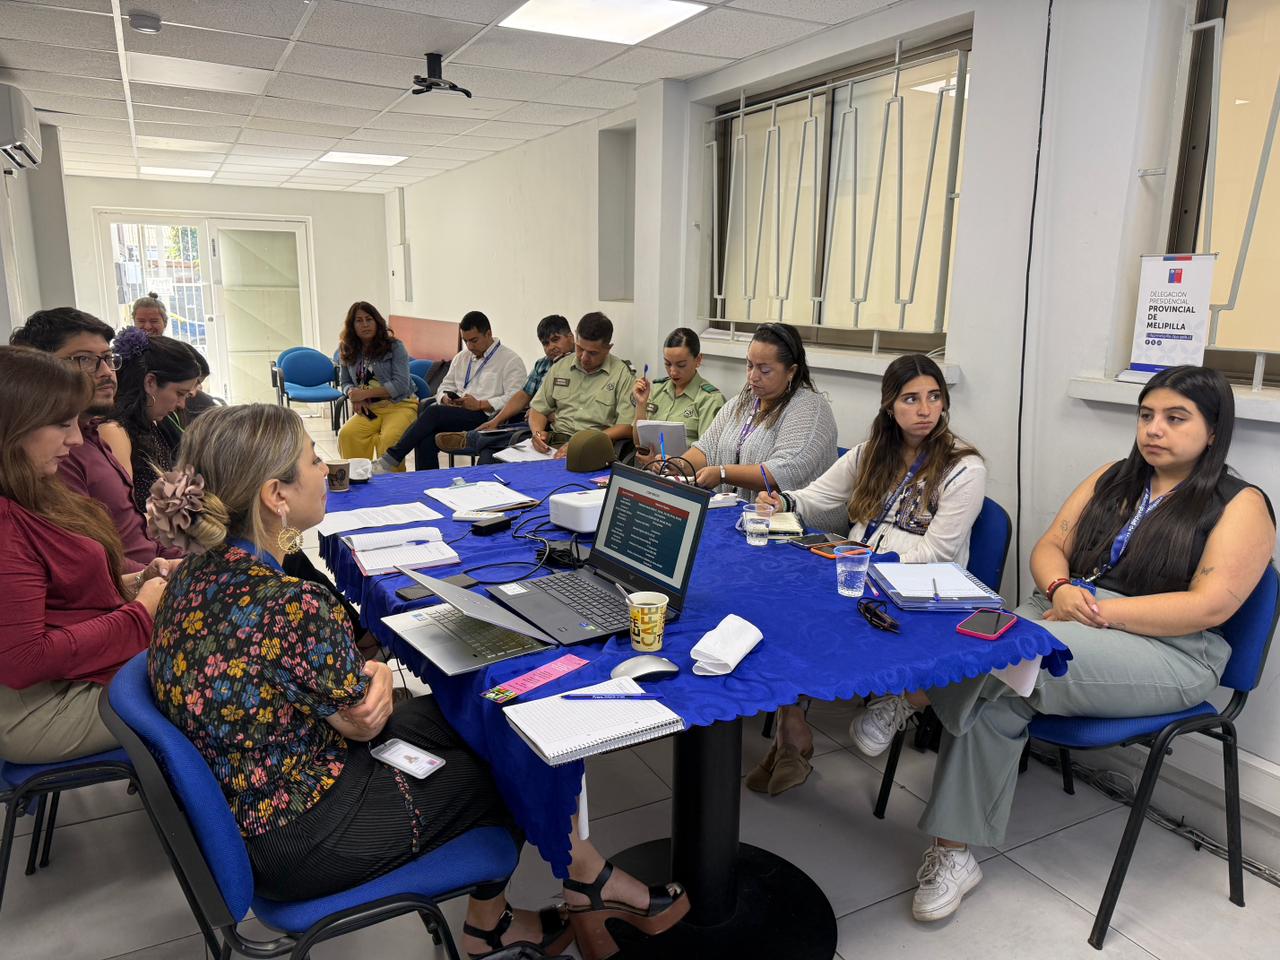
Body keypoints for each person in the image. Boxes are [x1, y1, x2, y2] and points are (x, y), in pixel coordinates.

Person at [148, 403, 690, 959]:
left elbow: (309, 691)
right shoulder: (291, 605)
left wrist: (365, 684)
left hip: (257, 800)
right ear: (274, 495)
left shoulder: (191, 576)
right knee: (518, 755)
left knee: (485, 716)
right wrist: (380, 672)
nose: (325, 469)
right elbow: (363, 720)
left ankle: (535, 902)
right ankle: (539, 906)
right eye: (313, 461)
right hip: (305, 833)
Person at [894, 365, 1275, 923]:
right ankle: (953, 852)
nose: (1154, 429)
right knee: (988, 670)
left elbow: (1210, 606)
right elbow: (1051, 546)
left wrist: (1097, 612)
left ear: (1214, 430)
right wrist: (1060, 587)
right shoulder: (1114, 477)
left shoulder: (1241, 504)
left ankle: (912, 698)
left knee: (1009, 657)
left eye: (1176, 418)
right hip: (1066, 610)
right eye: (1147, 415)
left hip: (1171, 649)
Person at [748, 354, 986, 794]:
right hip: (858, 574)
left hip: (914, 589)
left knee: (804, 614)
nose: (925, 409)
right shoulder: (873, 452)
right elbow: (819, 495)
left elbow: (936, 553)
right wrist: (783, 502)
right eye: (911, 399)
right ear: (889, 406)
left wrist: (867, 564)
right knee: (778, 608)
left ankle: (894, 703)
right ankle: (792, 729)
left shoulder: (965, 468)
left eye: (934, 397)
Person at [0, 347, 170, 763]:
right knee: (226, 680)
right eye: (62, 424)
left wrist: (138, 582)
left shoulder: (34, 491)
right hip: (44, 708)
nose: (75, 439)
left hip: (71, 680)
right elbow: (23, 660)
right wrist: (142, 612)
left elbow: (64, 599)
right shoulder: (7, 524)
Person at [9, 307, 179, 565]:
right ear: (41, 369)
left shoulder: (93, 432)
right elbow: (87, 561)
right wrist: (158, 575)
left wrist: (184, 561)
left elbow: (135, 534)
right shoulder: (51, 453)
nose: (106, 372)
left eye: (108, 358)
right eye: (84, 359)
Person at [678, 322, 837, 495]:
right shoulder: (740, 403)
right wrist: (677, 465)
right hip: (737, 508)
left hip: (791, 512)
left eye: (765, 370)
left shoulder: (810, 409)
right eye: (749, 365)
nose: (753, 376)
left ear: (791, 371)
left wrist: (723, 473)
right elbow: (706, 449)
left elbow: (783, 473)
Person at [372, 310, 526, 472]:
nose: (470, 346)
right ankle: (428, 482)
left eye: (474, 340)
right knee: (425, 437)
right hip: (458, 413)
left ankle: (391, 459)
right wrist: (446, 398)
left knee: (433, 413)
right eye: (466, 341)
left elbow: (516, 398)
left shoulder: (510, 361)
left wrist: (481, 404)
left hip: (489, 418)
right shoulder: (462, 357)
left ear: (488, 334)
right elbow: (444, 386)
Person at [433, 314, 575, 465]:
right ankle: (478, 451)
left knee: (434, 415)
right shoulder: (543, 364)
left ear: (571, 337)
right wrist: (496, 420)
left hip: (554, 427)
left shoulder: (578, 366)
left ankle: (472, 438)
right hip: (532, 423)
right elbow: (523, 394)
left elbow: (576, 410)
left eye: (555, 340)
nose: (551, 347)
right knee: (489, 451)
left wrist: (544, 414)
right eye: (545, 344)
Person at [98, 328, 202, 516]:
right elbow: (124, 517)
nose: (181, 404)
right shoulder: (114, 432)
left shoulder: (152, 425)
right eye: (179, 393)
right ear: (150, 382)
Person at [527, 312, 636, 459]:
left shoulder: (621, 374)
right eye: (580, 349)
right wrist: (537, 434)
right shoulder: (561, 366)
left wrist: (584, 443)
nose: (584, 357)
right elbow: (538, 408)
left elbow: (627, 426)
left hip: (594, 446)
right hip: (555, 443)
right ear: (575, 338)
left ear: (608, 348)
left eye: (592, 353)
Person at [335, 301, 416, 467]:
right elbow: (345, 382)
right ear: (352, 326)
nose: (365, 324)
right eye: (359, 321)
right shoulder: (346, 348)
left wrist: (363, 394)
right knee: (347, 435)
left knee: (389, 440)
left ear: (377, 321)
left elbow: (400, 384)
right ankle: (357, 478)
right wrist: (352, 394)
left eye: (369, 319)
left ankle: (390, 482)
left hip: (400, 405)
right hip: (370, 408)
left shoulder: (395, 346)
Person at [630, 328, 725, 454]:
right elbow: (638, 443)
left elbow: (707, 454)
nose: (673, 372)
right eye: (667, 364)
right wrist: (641, 405)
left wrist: (667, 462)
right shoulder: (657, 389)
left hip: (683, 466)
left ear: (698, 360)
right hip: (649, 464)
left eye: (681, 365)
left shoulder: (709, 400)